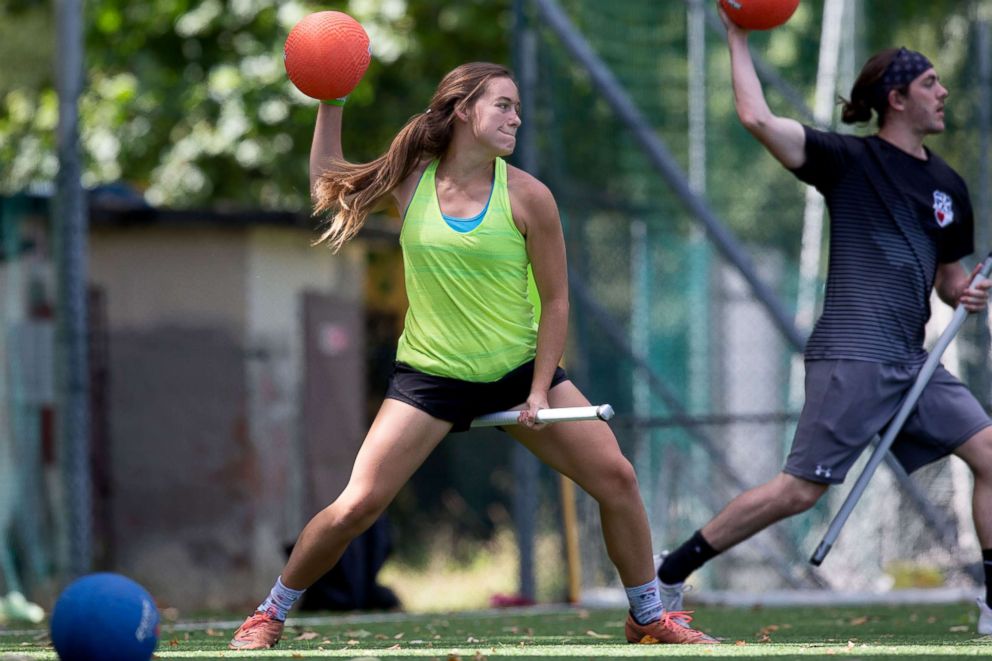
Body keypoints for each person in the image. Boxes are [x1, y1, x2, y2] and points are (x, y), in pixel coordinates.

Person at [228, 62, 717, 650]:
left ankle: (647, 617)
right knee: (356, 506)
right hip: (430, 379)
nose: (517, 117)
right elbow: (327, 182)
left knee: (617, 478)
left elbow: (558, 302)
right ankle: (269, 613)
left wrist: (538, 391)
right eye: (503, 105)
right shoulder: (409, 182)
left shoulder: (531, 196)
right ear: (463, 110)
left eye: (517, 106)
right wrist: (331, 100)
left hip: (516, 374)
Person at [656, 7, 992, 634]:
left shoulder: (949, 187)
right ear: (896, 99)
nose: (943, 93)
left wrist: (967, 293)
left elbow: (951, 280)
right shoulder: (846, 161)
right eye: (930, 84)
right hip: (852, 355)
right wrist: (737, 36)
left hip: (912, 361)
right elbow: (756, 117)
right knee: (797, 492)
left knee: (991, 453)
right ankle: (670, 571)